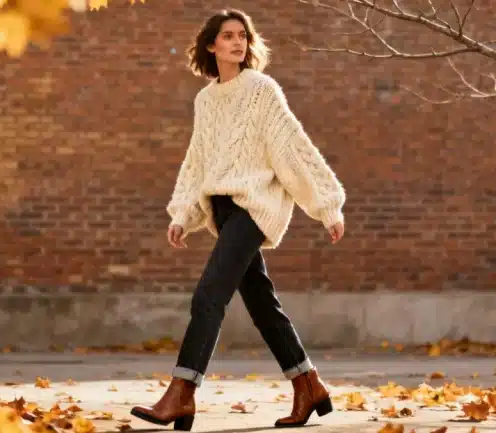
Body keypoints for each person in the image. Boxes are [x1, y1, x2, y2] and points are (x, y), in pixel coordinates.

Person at [130, 8, 346, 431]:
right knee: (262, 304)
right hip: (224, 210)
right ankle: (309, 384)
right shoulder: (206, 100)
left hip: (255, 206)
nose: (237, 42)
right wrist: (185, 213)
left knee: (209, 295)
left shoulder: (262, 89)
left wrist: (326, 204)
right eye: (227, 36)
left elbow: (292, 148)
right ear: (211, 45)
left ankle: (182, 393)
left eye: (242, 36)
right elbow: (198, 161)